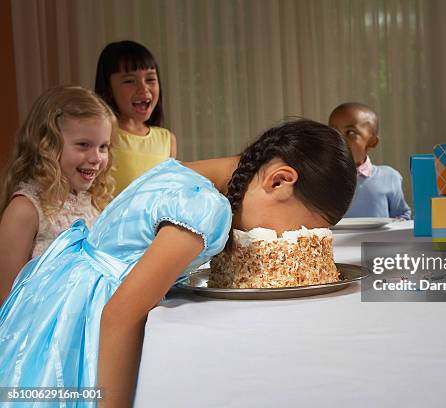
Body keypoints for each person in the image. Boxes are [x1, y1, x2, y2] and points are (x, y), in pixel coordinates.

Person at [0, 119, 356, 407]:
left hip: (57, 294)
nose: (284, 239)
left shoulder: (180, 171)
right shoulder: (206, 211)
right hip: (87, 317)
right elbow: (119, 315)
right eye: (300, 228)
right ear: (279, 180)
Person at [0, 85, 116, 303]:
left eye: (103, 147)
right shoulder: (26, 210)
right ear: (47, 145)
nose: (96, 158)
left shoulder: (95, 203)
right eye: (83, 145)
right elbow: (6, 299)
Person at [95, 40, 177, 195]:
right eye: (129, 81)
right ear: (109, 88)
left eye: (150, 79)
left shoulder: (167, 140)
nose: (143, 88)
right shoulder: (102, 137)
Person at [328, 102, 411, 220]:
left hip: (378, 239)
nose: (339, 139)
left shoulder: (389, 177)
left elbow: (402, 216)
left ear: (372, 141)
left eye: (350, 133)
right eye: (333, 132)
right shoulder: (320, 177)